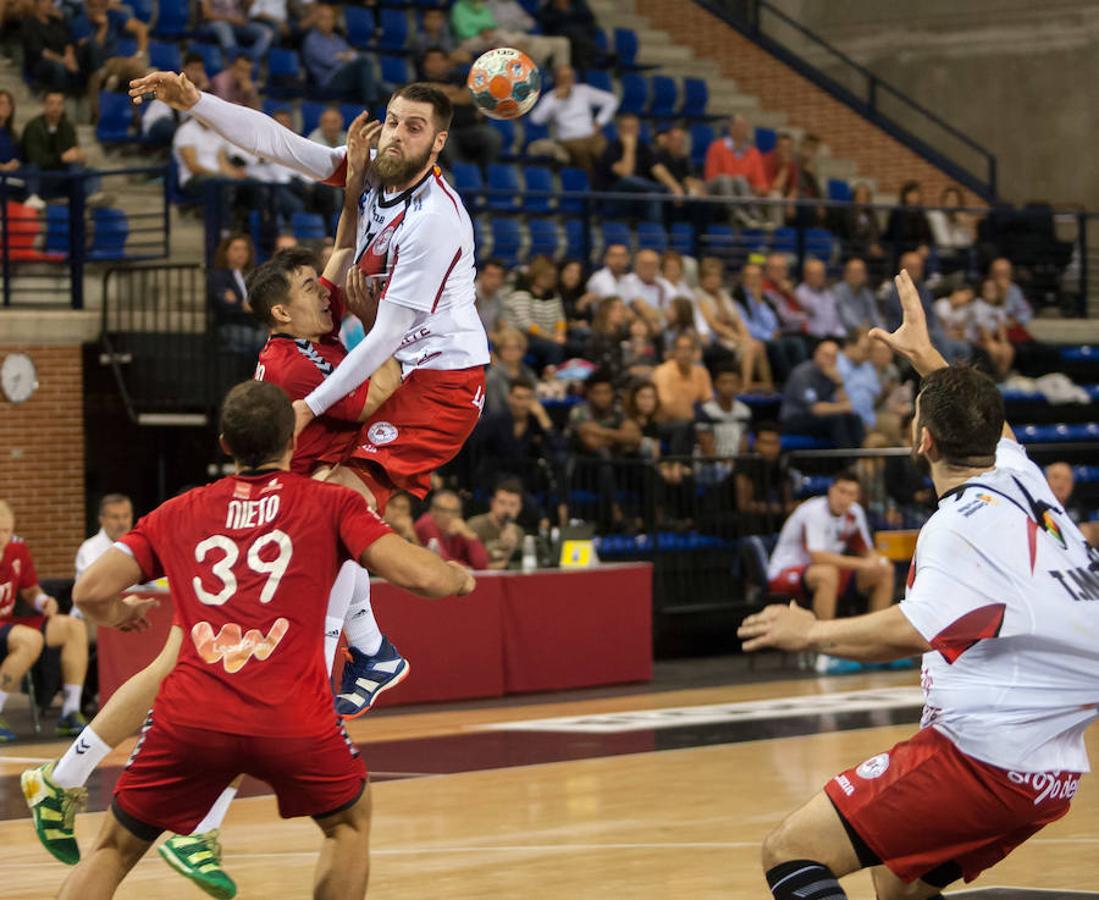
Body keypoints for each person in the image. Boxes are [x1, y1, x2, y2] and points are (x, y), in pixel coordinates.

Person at [737, 268, 1099, 900]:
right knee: (895, 889)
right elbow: (996, 429)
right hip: (1049, 777)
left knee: (789, 852)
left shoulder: (959, 526)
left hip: (983, 761)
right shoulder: (1022, 480)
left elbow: (907, 630)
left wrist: (811, 631)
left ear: (921, 440)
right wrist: (927, 357)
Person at [37, 380, 473, 900]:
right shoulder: (329, 503)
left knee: (112, 848)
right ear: (293, 441)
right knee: (348, 825)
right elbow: (421, 577)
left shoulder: (178, 512)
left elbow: (88, 590)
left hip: (191, 716)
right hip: (291, 716)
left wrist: (117, 615)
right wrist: (458, 578)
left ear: (225, 445)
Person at [129, 73, 491, 515]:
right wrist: (196, 102)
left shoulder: (434, 219)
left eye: (413, 128)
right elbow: (280, 145)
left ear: (438, 142)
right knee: (329, 499)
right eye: (393, 122)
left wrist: (307, 407)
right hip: (403, 362)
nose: (397, 135)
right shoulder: (375, 169)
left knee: (333, 505)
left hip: (441, 377)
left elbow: (386, 336)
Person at [764, 470, 894, 673]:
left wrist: (877, 561)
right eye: (842, 491)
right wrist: (862, 564)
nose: (845, 498)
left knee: (884, 571)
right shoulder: (814, 511)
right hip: (786, 571)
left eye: (851, 494)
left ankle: (877, 647)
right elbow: (818, 556)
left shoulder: (855, 512)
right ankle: (826, 652)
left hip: (825, 571)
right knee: (827, 573)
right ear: (831, 490)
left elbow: (866, 551)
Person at [0, 501, 88, 742]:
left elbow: (29, 590)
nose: (2, 537)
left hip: (8, 623)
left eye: (6, 530)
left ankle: (70, 713)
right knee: (31, 639)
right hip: (8, 628)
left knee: (74, 627)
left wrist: (42, 601)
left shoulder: (17, 548)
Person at [473, 375, 559, 504]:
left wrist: (543, 418)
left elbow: (557, 448)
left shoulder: (536, 423)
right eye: (519, 398)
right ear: (510, 398)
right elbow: (473, 444)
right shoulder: (494, 421)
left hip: (526, 480)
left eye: (528, 398)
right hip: (495, 479)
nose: (522, 403)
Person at [420, 47, 502, 170]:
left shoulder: (460, 78)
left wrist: (440, 93)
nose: (436, 64)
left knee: (491, 136)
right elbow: (421, 91)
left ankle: (486, 176)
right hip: (444, 131)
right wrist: (454, 92)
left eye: (440, 60)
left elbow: (469, 96)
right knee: (444, 143)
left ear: (446, 62)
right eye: (431, 61)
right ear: (424, 64)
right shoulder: (418, 81)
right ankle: (461, 178)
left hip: (470, 128)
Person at [20, 91, 106, 208]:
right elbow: (35, 158)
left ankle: (91, 196)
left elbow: (73, 150)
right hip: (42, 175)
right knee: (31, 167)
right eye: (51, 103)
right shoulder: (33, 127)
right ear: (44, 105)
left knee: (90, 171)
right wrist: (61, 157)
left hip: (63, 173)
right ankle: (33, 197)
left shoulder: (67, 126)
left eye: (59, 104)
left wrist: (79, 155)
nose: (55, 107)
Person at [528, 64, 618, 174]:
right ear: (557, 80)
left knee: (609, 155)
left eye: (570, 77)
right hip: (569, 141)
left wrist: (599, 122)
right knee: (582, 155)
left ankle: (615, 181)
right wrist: (555, 100)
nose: (568, 81)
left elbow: (611, 100)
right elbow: (536, 119)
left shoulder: (583, 91)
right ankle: (593, 185)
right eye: (564, 78)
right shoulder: (551, 98)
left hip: (591, 136)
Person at [779, 339, 865, 449]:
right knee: (836, 420)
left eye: (833, 357)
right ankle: (850, 461)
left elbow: (846, 406)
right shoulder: (802, 374)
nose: (830, 360)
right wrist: (843, 407)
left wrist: (839, 383)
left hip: (819, 419)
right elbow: (815, 409)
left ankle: (863, 456)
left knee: (854, 418)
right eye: (826, 355)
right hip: (795, 419)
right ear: (816, 354)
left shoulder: (831, 374)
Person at [595, 112, 679, 223]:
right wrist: (629, 148)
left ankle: (653, 233)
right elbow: (626, 173)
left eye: (633, 128)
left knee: (653, 196)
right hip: (614, 200)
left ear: (638, 130)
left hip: (638, 199)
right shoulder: (610, 149)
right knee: (629, 180)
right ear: (618, 131)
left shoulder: (643, 148)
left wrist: (676, 188)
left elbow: (658, 169)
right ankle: (665, 192)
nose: (629, 132)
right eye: (626, 128)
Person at [734, 262, 805, 383]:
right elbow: (745, 325)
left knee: (796, 342)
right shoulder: (737, 297)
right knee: (777, 345)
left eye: (757, 277)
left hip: (770, 336)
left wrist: (759, 302)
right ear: (743, 278)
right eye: (750, 276)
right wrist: (769, 335)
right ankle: (789, 382)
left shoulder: (765, 297)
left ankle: (801, 379)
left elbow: (773, 324)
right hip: (753, 338)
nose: (753, 280)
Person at [302, 4, 379, 105]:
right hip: (329, 81)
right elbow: (328, 61)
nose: (328, 21)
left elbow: (352, 55)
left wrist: (342, 56)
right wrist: (345, 57)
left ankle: (376, 99)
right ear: (316, 21)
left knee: (387, 89)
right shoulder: (312, 40)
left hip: (346, 74)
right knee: (364, 60)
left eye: (331, 18)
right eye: (324, 18)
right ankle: (372, 106)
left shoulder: (337, 38)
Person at [503, 254, 567, 372]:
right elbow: (525, 323)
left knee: (576, 344)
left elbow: (560, 317)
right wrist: (551, 337)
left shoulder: (553, 294)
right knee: (553, 348)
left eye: (553, 277)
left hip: (550, 335)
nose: (550, 280)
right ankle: (550, 377)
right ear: (536, 274)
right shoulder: (522, 293)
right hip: (524, 337)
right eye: (546, 276)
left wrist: (560, 334)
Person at [651, 333, 713, 454]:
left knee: (709, 427)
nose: (684, 353)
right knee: (684, 427)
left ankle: (717, 466)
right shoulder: (662, 372)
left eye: (688, 349)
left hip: (692, 423)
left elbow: (708, 402)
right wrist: (693, 416)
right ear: (673, 352)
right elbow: (668, 407)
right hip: (663, 424)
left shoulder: (701, 373)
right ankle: (677, 465)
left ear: (695, 352)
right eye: (680, 348)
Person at [704, 115, 767, 227]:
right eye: (737, 126)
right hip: (717, 188)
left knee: (739, 179)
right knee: (726, 179)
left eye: (743, 126)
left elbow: (761, 183)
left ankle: (752, 212)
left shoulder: (753, 152)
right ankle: (736, 212)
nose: (740, 129)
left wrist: (756, 188)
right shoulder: (716, 147)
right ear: (730, 128)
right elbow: (711, 176)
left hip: (742, 189)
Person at [209, 233, 266, 357]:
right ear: (225, 252)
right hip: (230, 324)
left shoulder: (254, 274)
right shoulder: (218, 276)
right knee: (260, 340)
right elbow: (225, 304)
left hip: (255, 324)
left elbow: (263, 299)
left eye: (245, 249)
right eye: (236, 249)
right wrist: (245, 306)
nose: (241, 253)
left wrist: (244, 303)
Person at [734, 422, 797, 526]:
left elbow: (787, 500)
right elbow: (744, 505)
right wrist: (782, 508)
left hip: (766, 517)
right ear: (755, 444)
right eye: (765, 443)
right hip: (732, 518)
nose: (770, 448)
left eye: (774, 443)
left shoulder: (781, 464)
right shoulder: (745, 464)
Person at [141, 53, 206, 150]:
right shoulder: (175, 81)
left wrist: (204, 90)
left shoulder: (199, 91)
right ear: (184, 69)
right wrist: (201, 89)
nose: (196, 73)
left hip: (177, 124)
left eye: (199, 70)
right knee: (184, 133)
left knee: (195, 131)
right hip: (158, 123)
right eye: (193, 69)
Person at [414, 490, 490, 569]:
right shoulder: (426, 524)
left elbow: (482, 564)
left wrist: (468, 534)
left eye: (454, 511)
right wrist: (465, 566)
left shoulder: (459, 529)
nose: (449, 516)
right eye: (443, 510)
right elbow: (441, 560)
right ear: (432, 510)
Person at [24, 0, 81, 95]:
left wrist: (70, 55)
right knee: (59, 67)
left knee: (85, 50)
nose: (49, 4)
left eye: (50, 2)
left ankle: (80, 91)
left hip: (63, 58)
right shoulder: (30, 24)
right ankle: (60, 96)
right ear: (37, 4)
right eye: (44, 1)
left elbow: (68, 40)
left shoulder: (56, 21)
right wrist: (64, 61)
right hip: (40, 63)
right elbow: (41, 51)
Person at [468, 479, 526, 570]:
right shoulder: (475, 525)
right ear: (493, 503)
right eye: (502, 502)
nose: (507, 509)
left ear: (519, 507)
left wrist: (512, 548)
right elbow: (470, 563)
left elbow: (519, 567)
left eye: (513, 504)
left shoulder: (518, 532)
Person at [695, 364, 751, 458]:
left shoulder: (744, 411)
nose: (729, 386)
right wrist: (723, 464)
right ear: (715, 384)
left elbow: (744, 443)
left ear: (739, 385)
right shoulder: (705, 411)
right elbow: (706, 445)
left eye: (733, 382)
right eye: (724, 382)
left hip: (736, 462)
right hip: (710, 464)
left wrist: (738, 465)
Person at [75, 494, 133, 581]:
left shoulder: (140, 545)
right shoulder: (89, 548)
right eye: (115, 517)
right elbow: (93, 583)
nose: (122, 522)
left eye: (125, 516)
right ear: (102, 520)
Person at [836, 328, 881, 434]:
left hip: (869, 420)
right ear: (849, 345)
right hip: (845, 421)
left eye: (869, 350)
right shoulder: (835, 363)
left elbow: (875, 396)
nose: (867, 354)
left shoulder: (868, 367)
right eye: (864, 349)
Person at [484, 327, 538, 414]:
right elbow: (494, 408)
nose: (511, 352)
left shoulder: (528, 373)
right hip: (501, 420)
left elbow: (535, 399)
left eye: (515, 348)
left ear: (523, 351)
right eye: (506, 348)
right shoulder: (492, 376)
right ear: (499, 351)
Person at [197, 0, 273, 62]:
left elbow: (245, 12)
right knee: (224, 28)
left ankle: (250, 60)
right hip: (214, 23)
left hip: (236, 23)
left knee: (266, 32)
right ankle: (234, 61)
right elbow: (207, 15)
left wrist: (248, 4)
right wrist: (232, 20)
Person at [618, 247, 673, 331]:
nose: (649, 268)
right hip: (634, 330)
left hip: (662, 330)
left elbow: (675, 310)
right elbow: (643, 308)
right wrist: (660, 315)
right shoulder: (628, 281)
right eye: (645, 264)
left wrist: (660, 317)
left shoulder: (664, 284)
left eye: (653, 264)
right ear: (636, 266)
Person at [1045, 462, 1097, 545]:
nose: (1061, 483)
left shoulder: (1078, 508)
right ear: (1045, 481)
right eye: (1056, 477)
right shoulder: (1036, 505)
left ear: (1072, 485)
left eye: (1066, 479)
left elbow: (1085, 539)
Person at [795, 257, 844, 340]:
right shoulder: (800, 293)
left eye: (821, 273)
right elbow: (809, 312)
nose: (820, 276)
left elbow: (835, 318)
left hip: (833, 336)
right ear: (806, 275)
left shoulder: (828, 294)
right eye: (815, 273)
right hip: (812, 338)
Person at [884, 179, 933, 261]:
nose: (914, 196)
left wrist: (924, 245)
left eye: (916, 193)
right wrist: (915, 249)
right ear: (905, 195)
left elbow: (928, 236)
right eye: (911, 193)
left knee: (931, 253)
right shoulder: (897, 213)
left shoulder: (921, 213)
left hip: (920, 249)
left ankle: (934, 273)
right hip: (902, 249)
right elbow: (896, 236)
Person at [833, 257, 881, 333]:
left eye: (860, 272)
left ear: (865, 275)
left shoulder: (867, 294)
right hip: (844, 333)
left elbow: (875, 317)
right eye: (853, 271)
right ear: (845, 274)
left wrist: (883, 333)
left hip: (865, 332)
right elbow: (847, 318)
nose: (857, 275)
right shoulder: (838, 291)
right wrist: (863, 329)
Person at [475, 257, 508, 342]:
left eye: (499, 276)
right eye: (491, 276)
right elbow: (468, 326)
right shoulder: (470, 294)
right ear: (480, 275)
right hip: (472, 338)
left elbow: (501, 323)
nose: (495, 281)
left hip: (490, 338)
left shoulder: (499, 296)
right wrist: (489, 335)